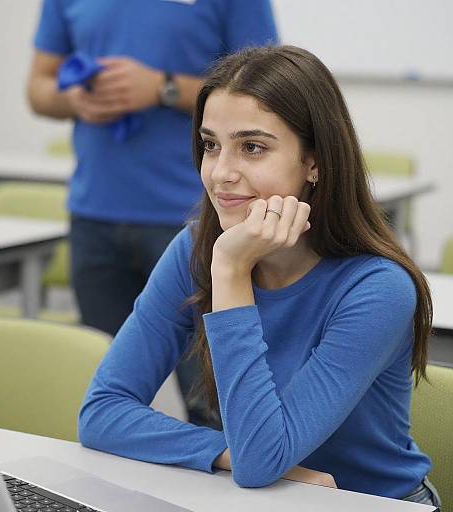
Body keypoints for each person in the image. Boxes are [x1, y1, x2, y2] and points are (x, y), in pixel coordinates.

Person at [78, 45, 440, 505]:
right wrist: (223, 452)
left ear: (315, 163)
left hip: (369, 503)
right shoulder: (193, 251)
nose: (221, 173)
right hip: (262, 497)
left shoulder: (377, 288)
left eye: (252, 147)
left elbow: (260, 462)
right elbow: (102, 412)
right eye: (211, 145)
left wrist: (230, 271)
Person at [27, 0, 278, 427]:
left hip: (198, 219)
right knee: (107, 390)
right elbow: (38, 87)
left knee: (212, 403)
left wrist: (161, 88)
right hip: (94, 213)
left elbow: (268, 90)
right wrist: (74, 99)